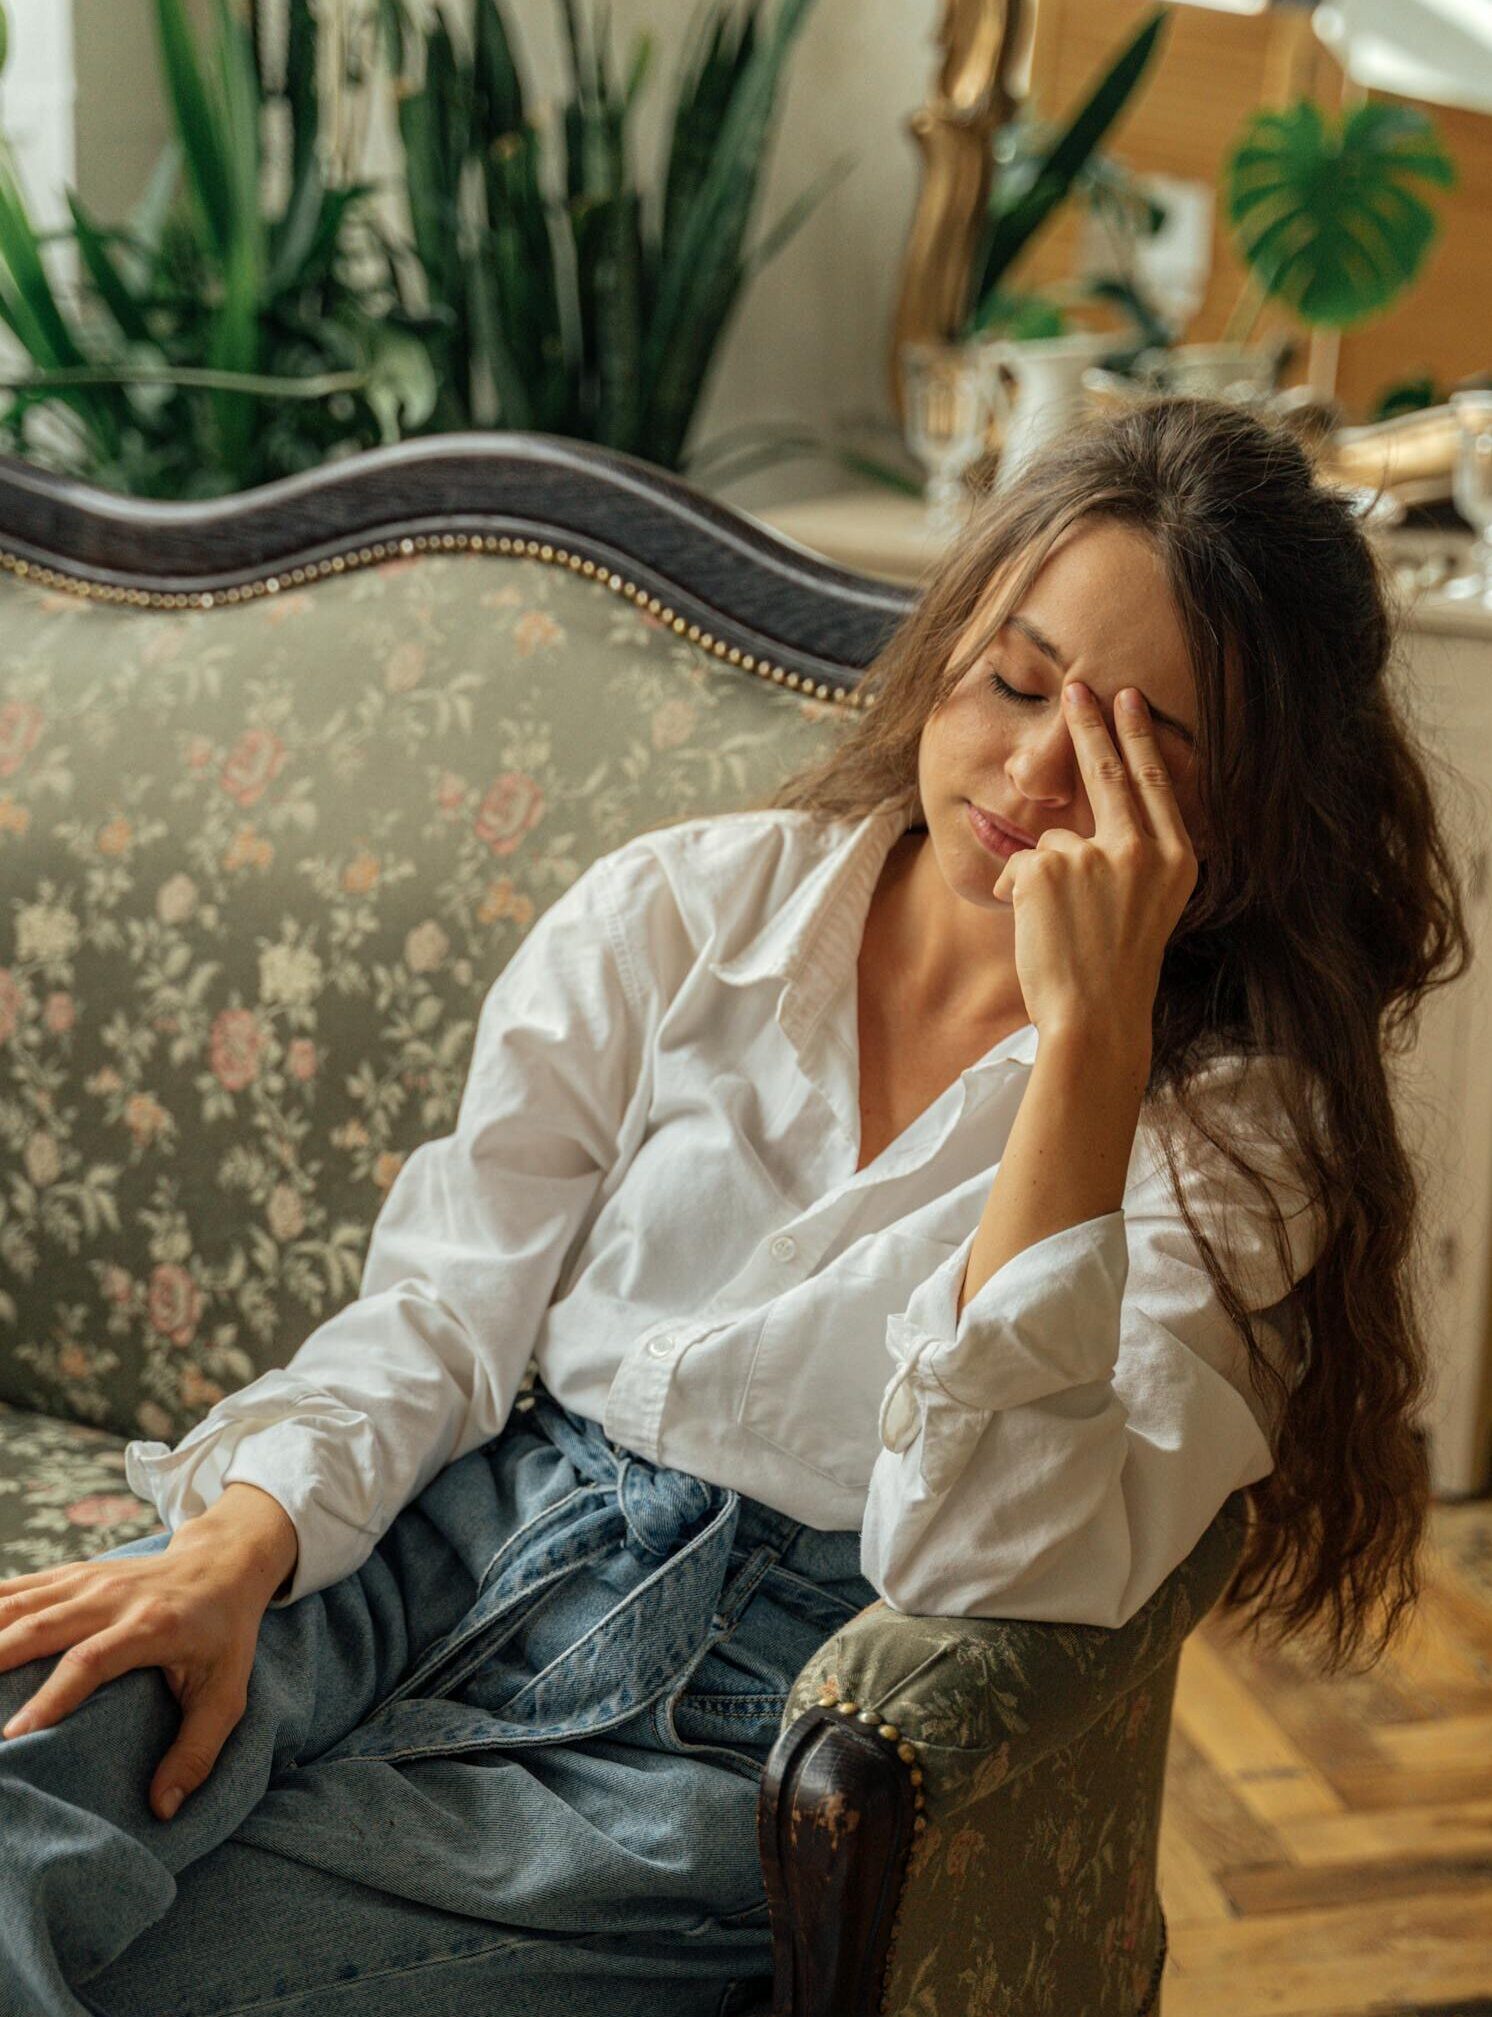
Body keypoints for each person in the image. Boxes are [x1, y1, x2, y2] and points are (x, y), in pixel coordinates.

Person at [0, 394, 1461, 2015]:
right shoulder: (679, 908)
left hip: (746, 1710)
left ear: (1248, 806)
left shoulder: (1239, 1140)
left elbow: (980, 1555)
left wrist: (1092, 1053)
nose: (1040, 773)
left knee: (191, 1983)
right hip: (429, 1538)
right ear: (947, 652)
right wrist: (241, 1540)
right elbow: (439, 1308)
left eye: (1135, 750)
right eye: (1015, 683)